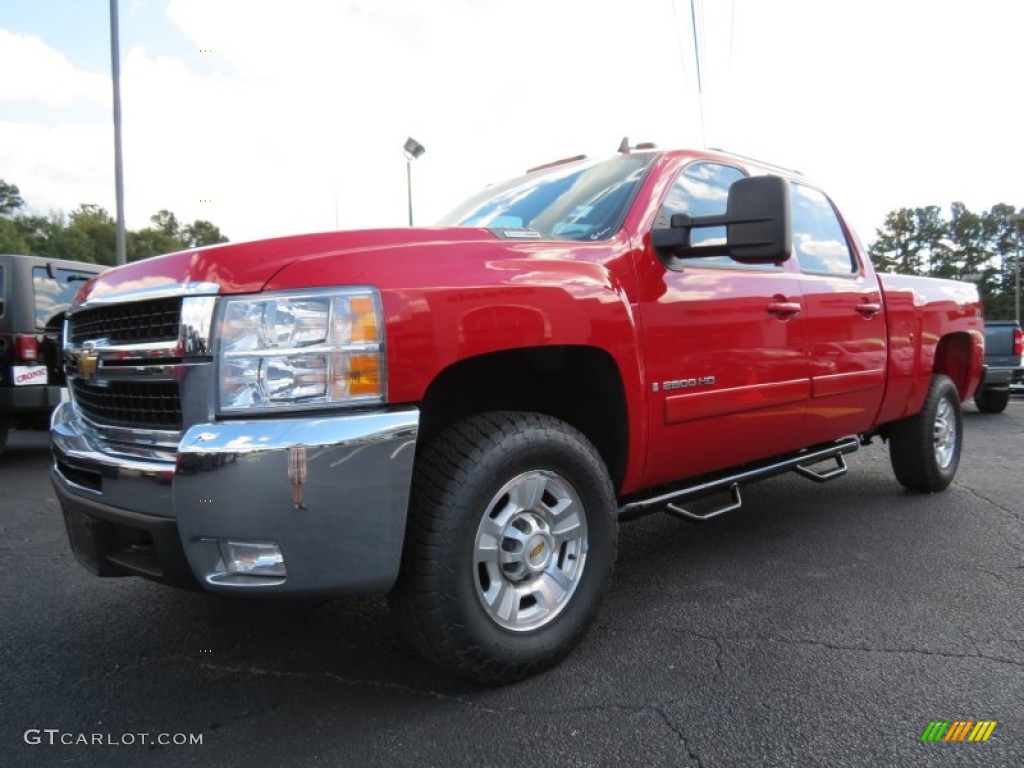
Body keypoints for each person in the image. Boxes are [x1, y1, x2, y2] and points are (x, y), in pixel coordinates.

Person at [287, 445, 308, 511]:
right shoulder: (292, 447)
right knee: (295, 483)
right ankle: (296, 502)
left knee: (300, 483)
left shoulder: (302, 447)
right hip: (293, 455)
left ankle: (300, 502)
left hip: (301, 455)